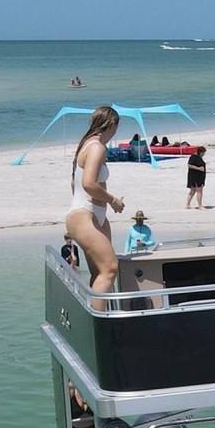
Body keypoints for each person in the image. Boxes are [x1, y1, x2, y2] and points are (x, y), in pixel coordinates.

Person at [65, 105, 126, 297]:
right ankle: (99, 320)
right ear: (111, 125)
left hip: (92, 213)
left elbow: (73, 183)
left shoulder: (86, 144)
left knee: (99, 273)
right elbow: (89, 184)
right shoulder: (96, 147)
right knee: (110, 268)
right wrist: (112, 200)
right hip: (85, 213)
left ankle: (98, 310)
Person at [185, 145, 208, 210]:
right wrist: (199, 168)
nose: (203, 155)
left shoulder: (198, 157)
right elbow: (189, 165)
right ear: (200, 152)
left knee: (193, 191)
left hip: (198, 176)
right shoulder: (193, 157)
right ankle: (200, 206)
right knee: (199, 191)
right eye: (203, 153)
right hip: (195, 176)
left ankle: (188, 204)